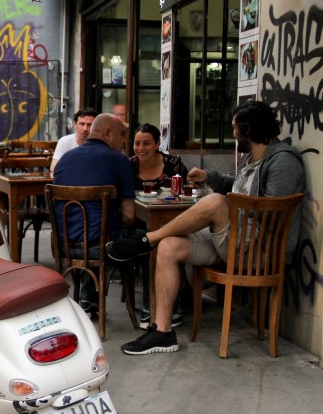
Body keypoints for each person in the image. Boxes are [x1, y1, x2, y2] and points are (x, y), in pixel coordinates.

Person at [107, 101, 306, 355]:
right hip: (236, 240)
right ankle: (163, 332)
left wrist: (226, 208)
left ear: (249, 130)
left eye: (235, 129)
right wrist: (210, 177)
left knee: (214, 202)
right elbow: (240, 186)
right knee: (169, 246)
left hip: (260, 249)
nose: (233, 134)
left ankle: (147, 239)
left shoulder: (283, 162)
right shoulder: (252, 158)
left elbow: (270, 212)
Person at [53, 113, 136, 314]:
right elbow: (129, 215)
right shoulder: (119, 161)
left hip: (63, 246)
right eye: (122, 134)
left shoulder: (64, 159)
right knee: (147, 242)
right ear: (107, 134)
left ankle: (88, 301)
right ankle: (149, 313)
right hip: (100, 248)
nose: (125, 140)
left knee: (96, 227)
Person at [130, 123, 189, 328]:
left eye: (146, 143)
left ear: (157, 144)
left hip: (170, 223)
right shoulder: (129, 166)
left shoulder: (173, 163)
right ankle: (151, 307)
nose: (141, 148)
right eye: (137, 143)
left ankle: (170, 308)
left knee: (163, 241)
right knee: (150, 243)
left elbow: (186, 188)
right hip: (138, 224)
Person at [50, 107, 98, 173]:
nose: (85, 129)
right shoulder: (64, 142)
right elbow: (53, 168)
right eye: (82, 124)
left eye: (89, 125)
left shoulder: (100, 143)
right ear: (75, 124)